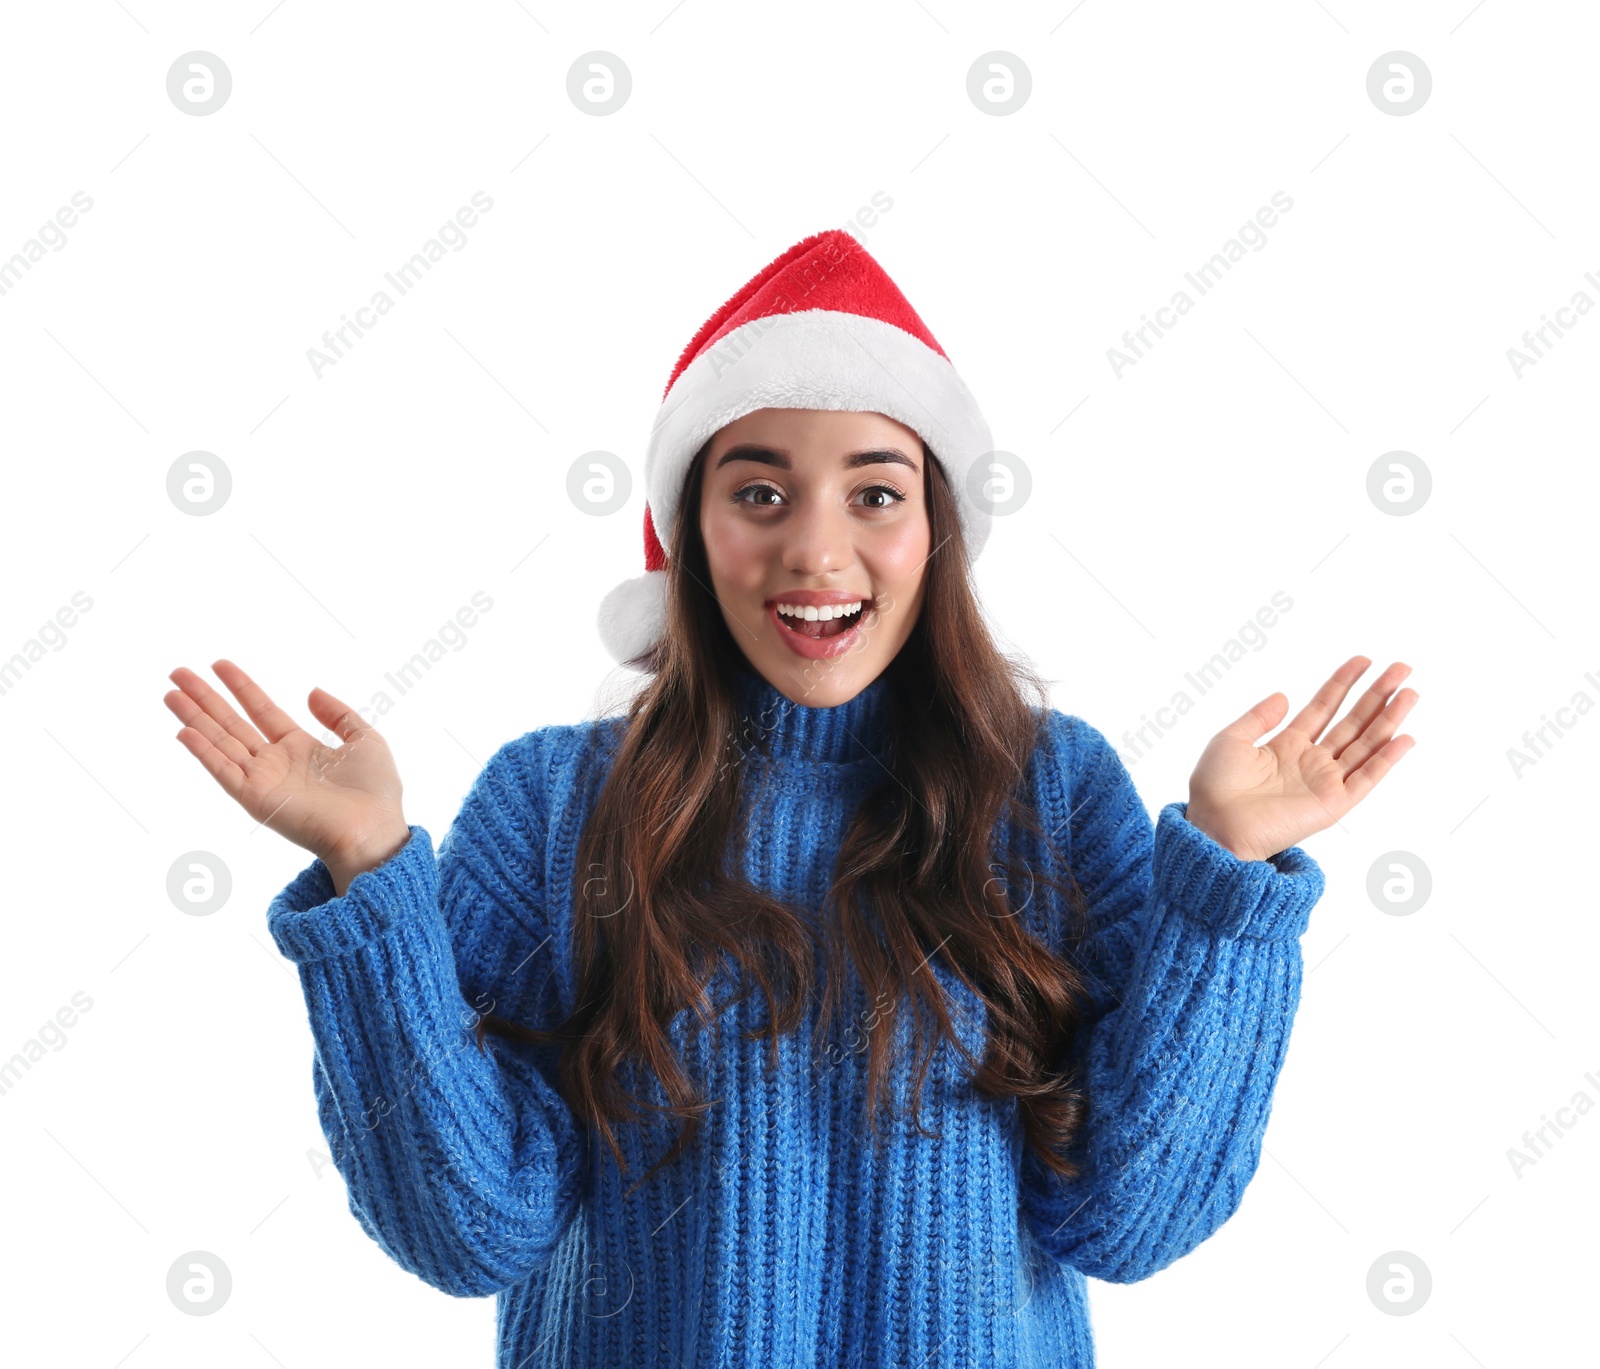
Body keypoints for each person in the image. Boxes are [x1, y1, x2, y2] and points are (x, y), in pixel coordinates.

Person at [163, 229, 1417, 1367]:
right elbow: (468, 1231)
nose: (816, 550)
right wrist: (368, 876)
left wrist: (1230, 881)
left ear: (935, 531)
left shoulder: (1050, 793)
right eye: (758, 491)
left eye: (875, 491)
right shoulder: (554, 807)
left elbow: (1132, 1217)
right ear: (687, 532)